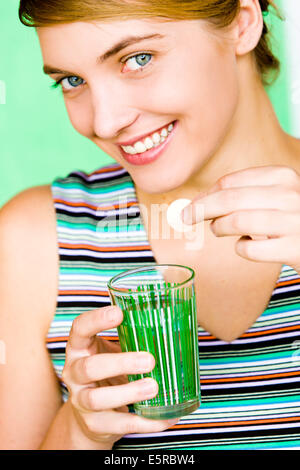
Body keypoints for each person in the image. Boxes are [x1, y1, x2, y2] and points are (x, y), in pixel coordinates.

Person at [1, 0, 300, 450]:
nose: (105, 121)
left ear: (243, 22)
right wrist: (81, 430)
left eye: (137, 59)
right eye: (72, 81)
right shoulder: (32, 242)